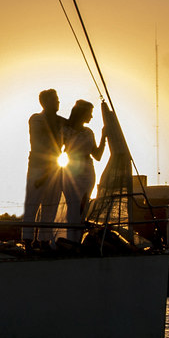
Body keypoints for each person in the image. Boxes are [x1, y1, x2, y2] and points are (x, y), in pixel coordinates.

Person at [22, 89, 67, 246]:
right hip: (38, 167)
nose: (58, 102)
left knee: (51, 206)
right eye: (55, 99)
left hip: (55, 168)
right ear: (45, 102)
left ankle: (44, 241)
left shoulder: (62, 121)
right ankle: (27, 240)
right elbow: (39, 142)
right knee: (32, 204)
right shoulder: (36, 119)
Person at [61, 99, 106, 234]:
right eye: (90, 113)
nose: (91, 116)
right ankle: (71, 238)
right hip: (71, 171)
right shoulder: (65, 130)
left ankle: (78, 238)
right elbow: (55, 150)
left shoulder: (89, 132)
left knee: (84, 206)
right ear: (82, 113)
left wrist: (103, 136)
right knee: (73, 206)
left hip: (87, 172)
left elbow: (97, 156)